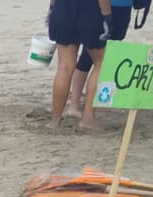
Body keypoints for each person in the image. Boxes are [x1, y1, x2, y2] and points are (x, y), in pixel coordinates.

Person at [48, 0, 116, 129]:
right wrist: (107, 15)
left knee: (64, 67)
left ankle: (55, 120)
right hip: (90, 11)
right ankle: (88, 118)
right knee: (101, 63)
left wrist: (52, 7)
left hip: (62, 9)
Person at [69, 0, 134, 127]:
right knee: (92, 56)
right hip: (104, 7)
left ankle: (82, 103)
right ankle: (75, 105)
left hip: (120, 6)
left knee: (107, 53)